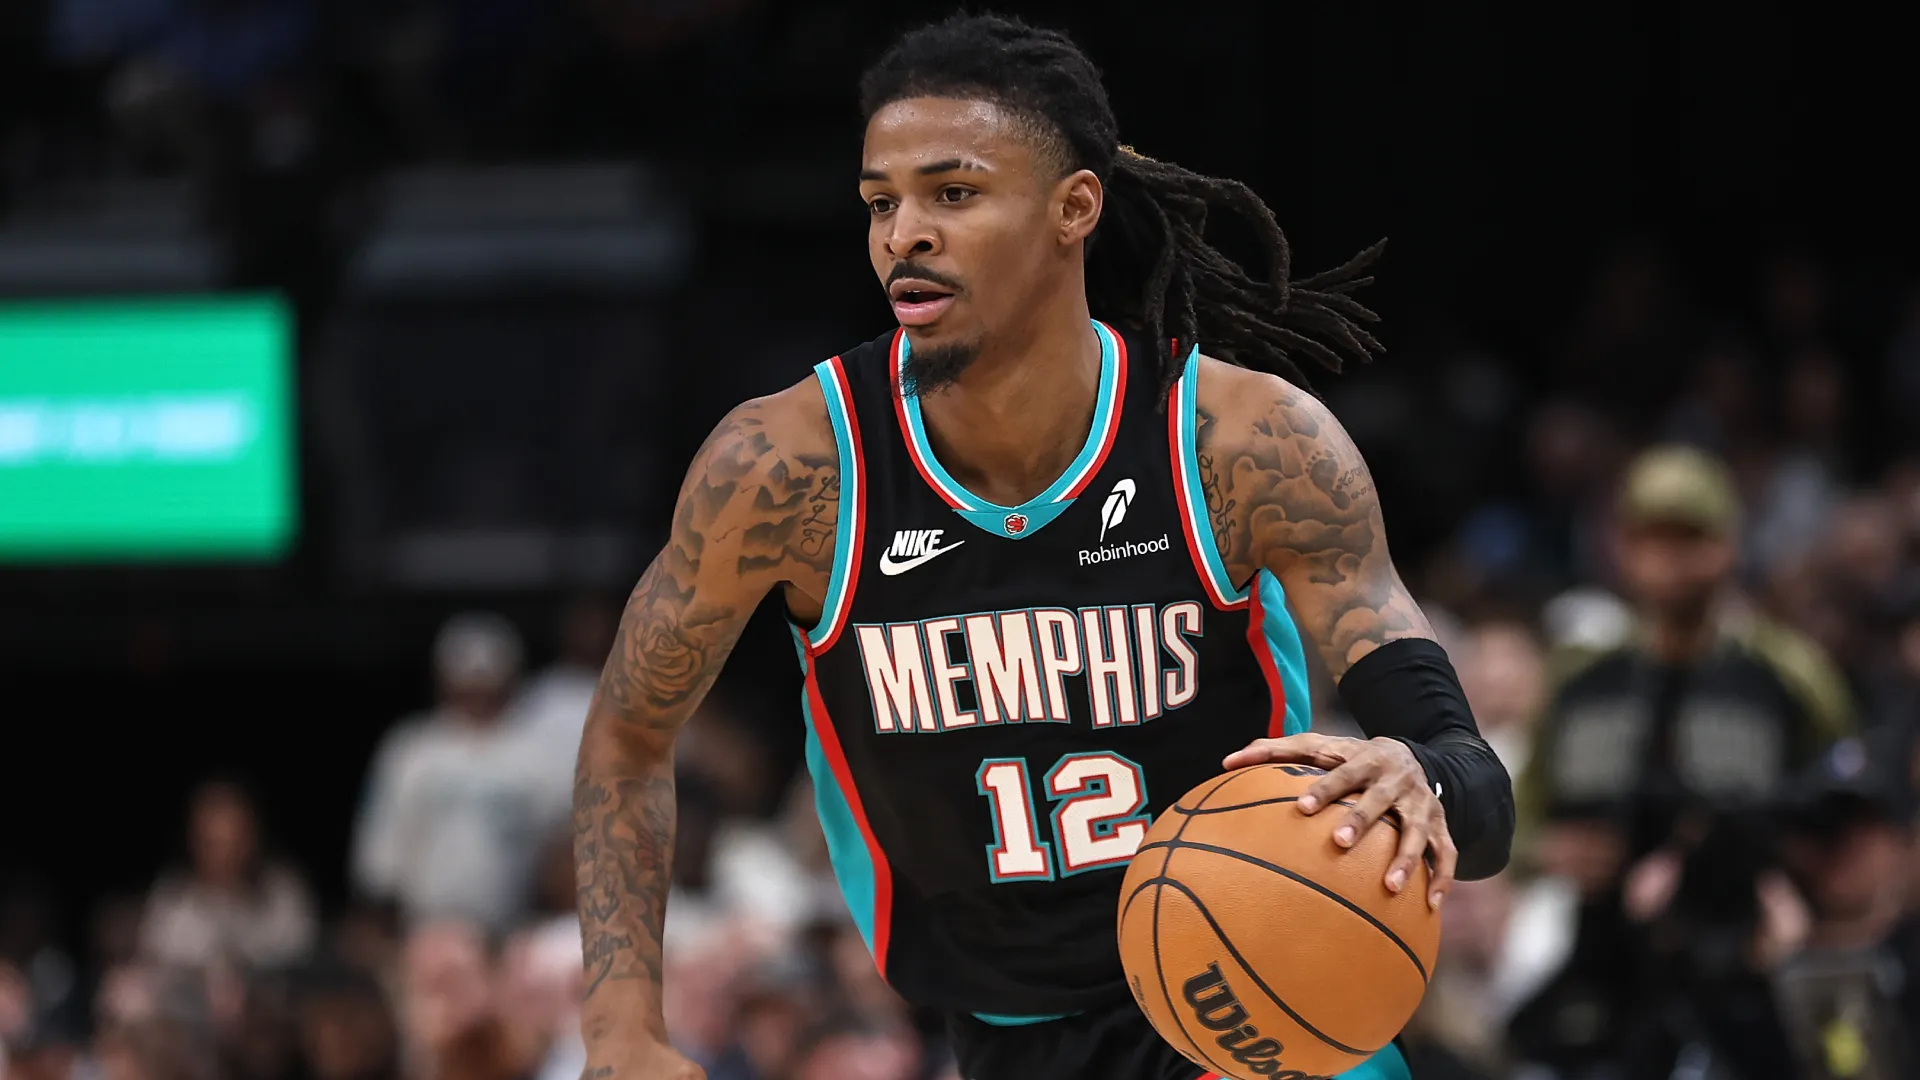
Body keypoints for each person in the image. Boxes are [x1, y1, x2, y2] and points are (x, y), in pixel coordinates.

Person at [573, 15, 1514, 1080]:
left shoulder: (1245, 445)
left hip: (1267, 1005)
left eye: (953, 193)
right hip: (1000, 1034)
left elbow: (1480, 798)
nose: (903, 234)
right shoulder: (789, 471)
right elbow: (627, 739)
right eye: (882, 202)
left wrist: (1422, 781)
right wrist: (619, 1031)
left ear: (1075, 208)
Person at [1512, 444, 1854, 1078]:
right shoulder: (1579, 682)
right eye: (1651, 537)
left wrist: (1791, 885)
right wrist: (1548, 853)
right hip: (1603, 965)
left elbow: (1848, 816)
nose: (1670, 560)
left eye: (1690, 537)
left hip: (1749, 965)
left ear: (1728, 544)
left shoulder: (1788, 679)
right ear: (1622, 547)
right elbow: (1515, 822)